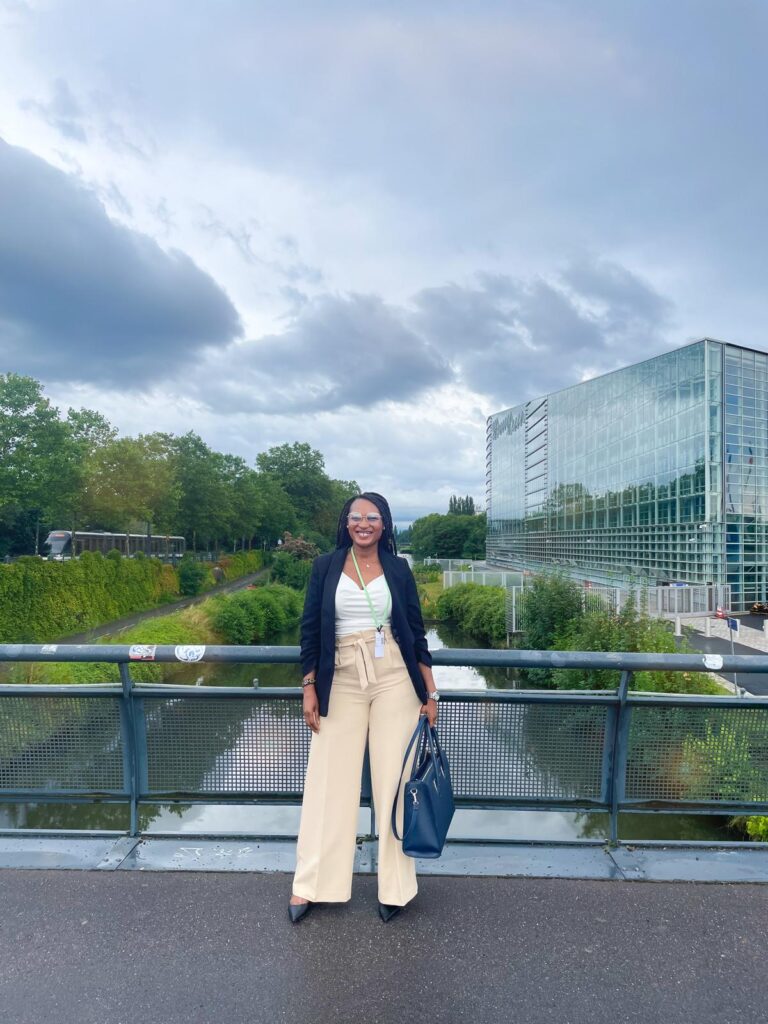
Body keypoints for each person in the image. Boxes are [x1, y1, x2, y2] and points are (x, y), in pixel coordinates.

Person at [289, 492, 439, 923]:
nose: (363, 523)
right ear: (346, 523)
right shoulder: (325, 566)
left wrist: (430, 693)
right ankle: (311, 884)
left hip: (393, 675)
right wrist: (309, 687)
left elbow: (415, 631)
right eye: (356, 517)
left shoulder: (398, 568)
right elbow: (309, 632)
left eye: (372, 517)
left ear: (385, 524)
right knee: (327, 782)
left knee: (396, 781)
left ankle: (396, 888)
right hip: (341, 676)